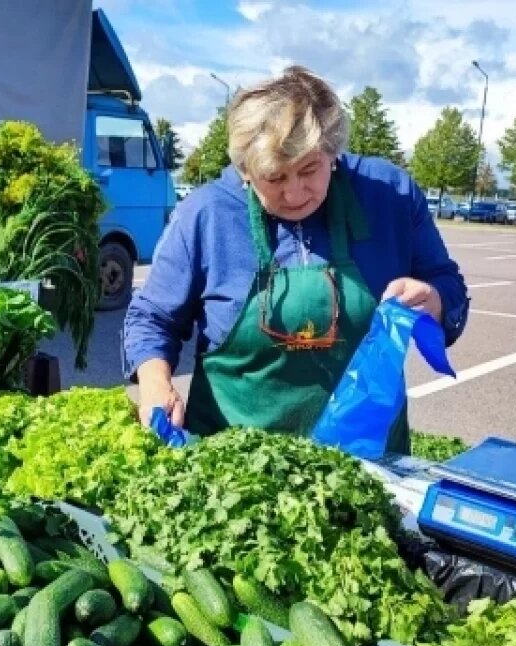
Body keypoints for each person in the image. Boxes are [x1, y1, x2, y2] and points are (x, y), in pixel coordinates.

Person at [123, 66, 469, 453]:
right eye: (274, 176)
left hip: (367, 461)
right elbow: (151, 317)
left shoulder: (390, 195)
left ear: (332, 153)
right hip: (233, 466)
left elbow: (449, 287)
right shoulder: (207, 214)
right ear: (245, 171)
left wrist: (435, 300)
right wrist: (155, 384)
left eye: (309, 169)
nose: (294, 193)